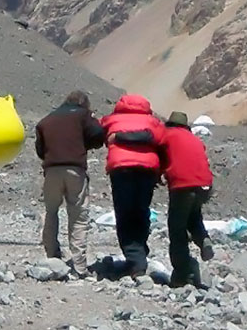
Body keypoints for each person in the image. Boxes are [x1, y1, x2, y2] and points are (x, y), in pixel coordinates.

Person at [34, 90, 105, 276]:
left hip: (51, 171)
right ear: (84, 103)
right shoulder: (83, 115)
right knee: (78, 216)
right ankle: (80, 266)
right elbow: (98, 134)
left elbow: (40, 149)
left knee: (51, 211)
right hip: (75, 170)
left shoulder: (47, 120)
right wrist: (84, 145)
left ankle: (52, 256)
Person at [99, 94, 166, 277]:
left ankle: (135, 260)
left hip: (121, 170)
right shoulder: (153, 122)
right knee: (141, 210)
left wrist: (119, 136)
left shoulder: (111, 120)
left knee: (124, 213)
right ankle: (139, 253)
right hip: (147, 170)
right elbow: (162, 140)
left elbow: (98, 132)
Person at [158, 111, 215, 288]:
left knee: (177, 229)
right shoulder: (195, 139)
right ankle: (203, 239)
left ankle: (182, 274)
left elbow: (159, 155)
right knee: (193, 216)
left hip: (182, 186)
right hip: (204, 185)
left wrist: (157, 174)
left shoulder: (167, 135)